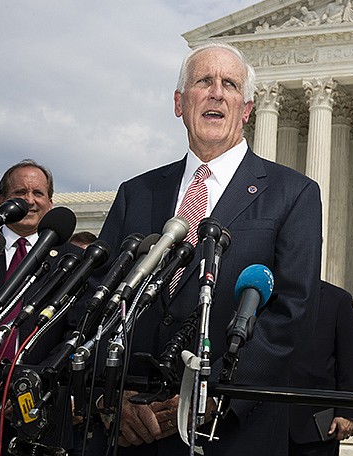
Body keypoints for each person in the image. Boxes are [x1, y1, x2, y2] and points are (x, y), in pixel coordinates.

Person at [95, 43, 323, 456]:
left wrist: (213, 396)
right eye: (204, 81)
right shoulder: (137, 193)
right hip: (133, 433)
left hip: (234, 433)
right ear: (180, 103)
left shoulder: (293, 194)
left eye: (230, 84)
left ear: (247, 109)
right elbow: (100, 299)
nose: (217, 92)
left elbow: (294, 311)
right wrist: (113, 396)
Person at [0, 159, 78, 456]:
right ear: (2, 201)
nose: (30, 200)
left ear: (50, 203)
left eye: (38, 193)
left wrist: (28, 389)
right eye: (20, 192)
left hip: (42, 415)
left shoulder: (74, 263)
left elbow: (76, 333)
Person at [288, 281, 353, 456]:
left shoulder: (338, 299)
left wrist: (347, 411)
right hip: (264, 421)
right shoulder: (263, 293)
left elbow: (350, 360)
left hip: (315, 427)